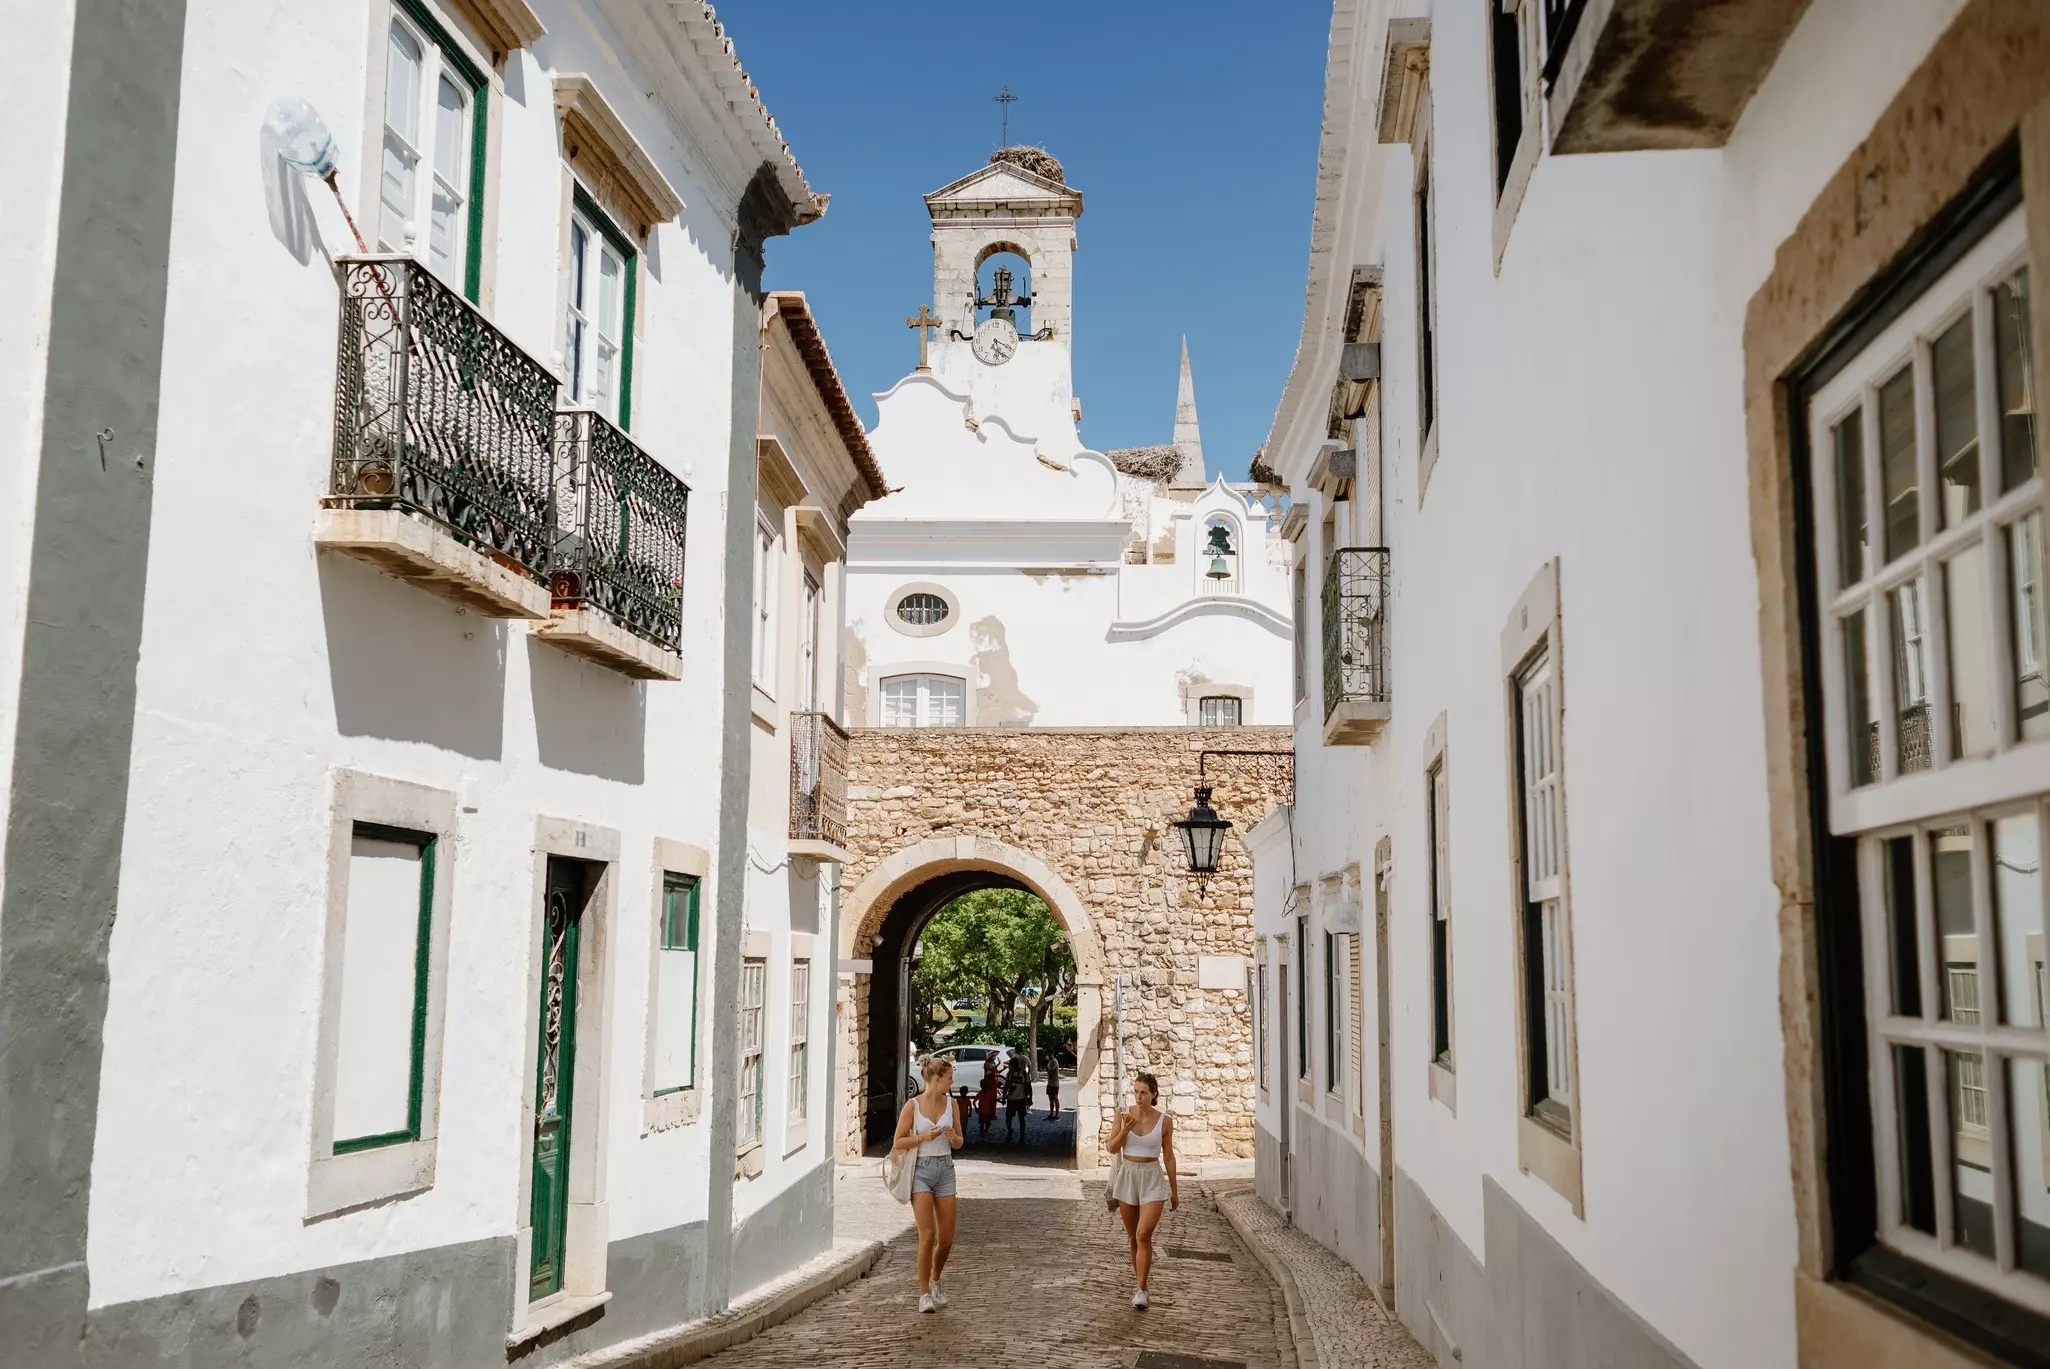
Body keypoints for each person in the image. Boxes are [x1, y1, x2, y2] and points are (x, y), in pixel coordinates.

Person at [893, 1055, 964, 1314]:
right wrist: (923, 1137)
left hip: (945, 1170)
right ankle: (924, 1294)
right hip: (920, 1172)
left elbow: (959, 1142)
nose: (951, 1082)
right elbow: (898, 1142)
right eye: (949, 1079)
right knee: (927, 1237)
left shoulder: (951, 1105)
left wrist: (955, 1138)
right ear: (936, 1079)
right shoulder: (913, 1106)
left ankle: (936, 1278)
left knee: (946, 1240)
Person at [1106, 1071, 1178, 1309]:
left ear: (1154, 1094)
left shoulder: (1164, 1122)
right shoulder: (1123, 1114)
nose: (1138, 1097)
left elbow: (1168, 1157)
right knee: (1132, 1237)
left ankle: (1140, 1290)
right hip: (1127, 1176)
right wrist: (1126, 1129)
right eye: (1136, 1091)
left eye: (1143, 1093)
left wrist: (1174, 1190)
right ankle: (1142, 1286)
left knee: (1143, 1234)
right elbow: (1111, 1147)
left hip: (1152, 1179)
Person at [1003, 1048, 1033, 1142]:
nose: (1009, 1067)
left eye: (1010, 1065)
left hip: (1021, 1099)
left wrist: (1030, 1098)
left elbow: (1028, 1086)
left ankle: (1022, 1134)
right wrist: (1004, 1097)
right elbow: (1006, 1086)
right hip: (1011, 1099)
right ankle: (1009, 1129)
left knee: (1021, 1118)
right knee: (1008, 1117)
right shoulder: (1009, 1074)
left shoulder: (1023, 1073)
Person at [975, 1053, 999, 1142]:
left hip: (993, 1083)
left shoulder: (991, 1063)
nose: (994, 1057)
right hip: (990, 1083)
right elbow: (989, 1072)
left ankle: (992, 1113)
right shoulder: (988, 1063)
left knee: (991, 1100)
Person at [1044, 1049, 1061, 1119]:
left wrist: (1047, 1069)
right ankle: (1051, 1113)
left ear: (1050, 1054)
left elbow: (1050, 1071)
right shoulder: (1050, 1062)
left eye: (1047, 1054)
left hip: (1054, 1083)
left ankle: (1057, 1114)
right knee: (1050, 1099)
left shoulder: (1054, 1062)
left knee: (1055, 1098)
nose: (1046, 1056)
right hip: (1050, 1083)